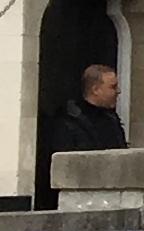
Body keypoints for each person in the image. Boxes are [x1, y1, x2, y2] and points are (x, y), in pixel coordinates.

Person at [40, 61, 129, 191]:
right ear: (96, 89)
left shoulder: (111, 120)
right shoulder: (68, 122)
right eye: (113, 87)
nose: (118, 91)